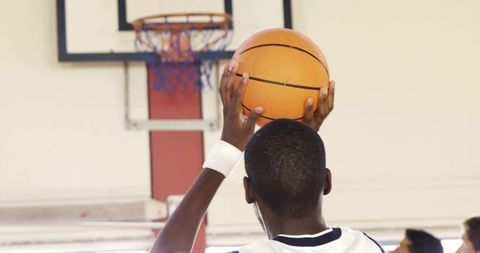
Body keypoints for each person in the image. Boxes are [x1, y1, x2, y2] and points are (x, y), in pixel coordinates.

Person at [150, 59, 384, 253]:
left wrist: (227, 150)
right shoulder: (366, 246)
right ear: (326, 181)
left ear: (248, 191)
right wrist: (300, 144)